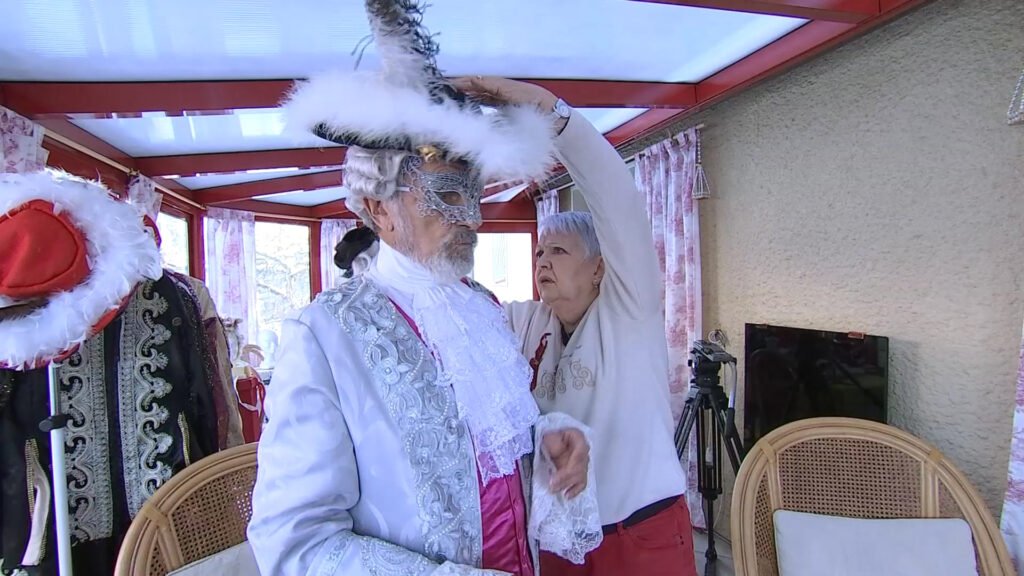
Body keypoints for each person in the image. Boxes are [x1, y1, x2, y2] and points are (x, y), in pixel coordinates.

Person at [247, 2, 601, 575]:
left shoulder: (480, 308)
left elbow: (488, 457)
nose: (474, 220)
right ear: (379, 210)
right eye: (448, 197)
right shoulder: (323, 336)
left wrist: (549, 440)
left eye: (476, 196)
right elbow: (296, 543)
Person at [455, 76, 700, 575]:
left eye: (560, 251)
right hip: (560, 534)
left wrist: (553, 115)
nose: (543, 260)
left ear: (599, 268)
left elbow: (618, 203)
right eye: (540, 251)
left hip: (641, 533)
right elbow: (455, 308)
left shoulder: (629, 309)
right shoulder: (527, 320)